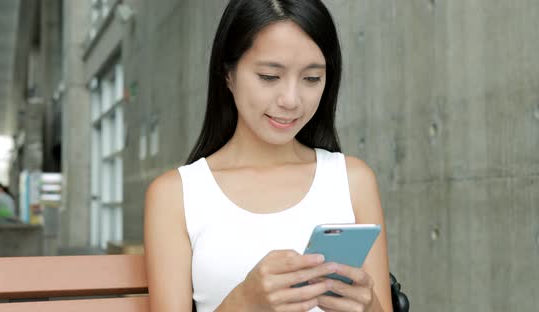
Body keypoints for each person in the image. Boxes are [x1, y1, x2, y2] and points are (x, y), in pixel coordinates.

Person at [144, 0, 393, 311]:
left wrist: (368, 307)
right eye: (269, 76)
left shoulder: (352, 180)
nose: (291, 100)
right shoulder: (176, 195)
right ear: (228, 74)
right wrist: (244, 303)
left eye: (312, 79)